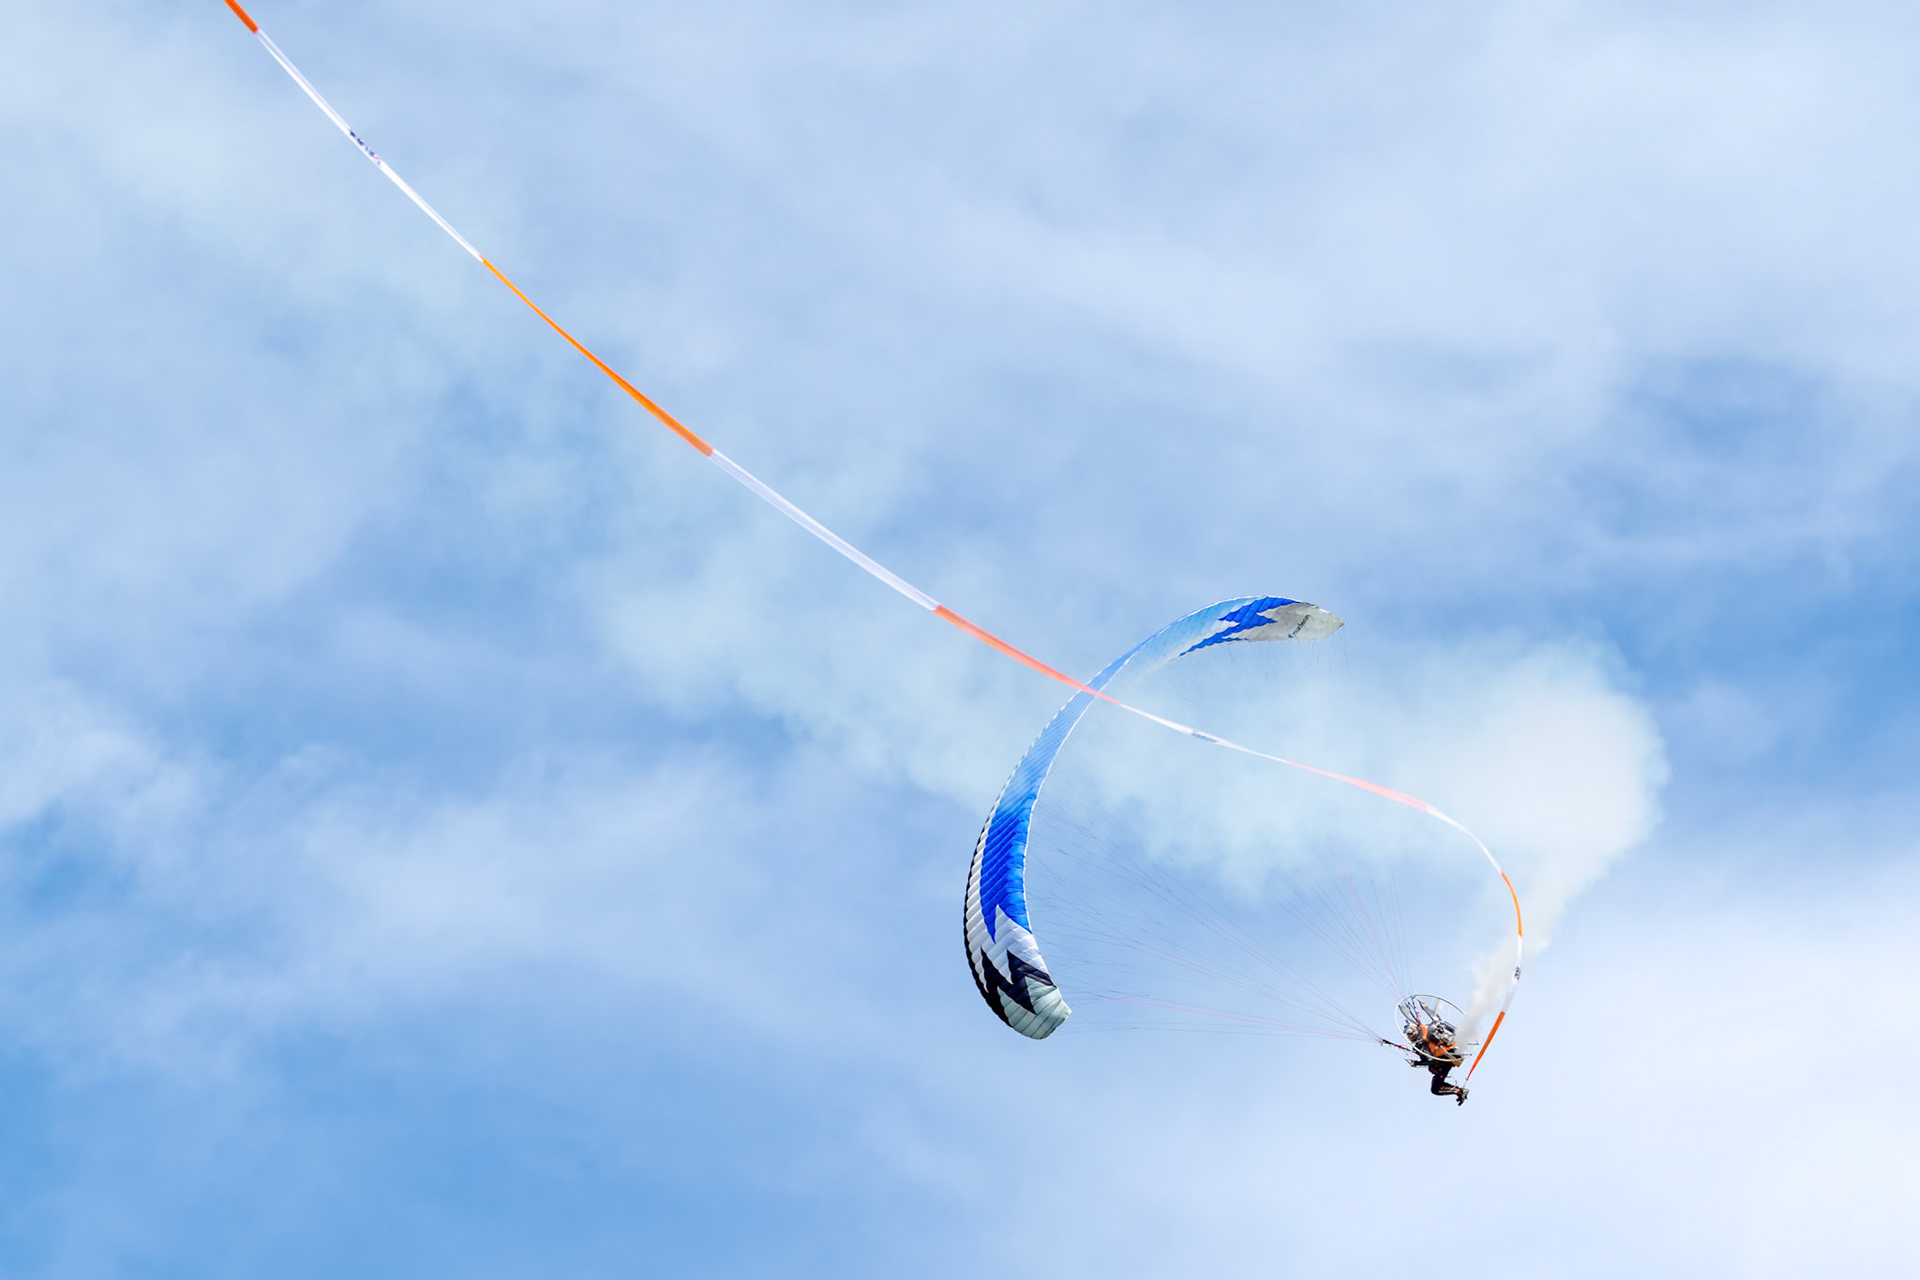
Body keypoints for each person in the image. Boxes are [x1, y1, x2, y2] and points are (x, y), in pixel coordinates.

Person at [1404, 1016, 1469, 1106]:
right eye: (1407, 1035)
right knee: (1435, 1078)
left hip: (1445, 1059)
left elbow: (1429, 1059)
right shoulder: (1425, 1029)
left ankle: (1459, 1091)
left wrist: (1417, 1063)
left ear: (1414, 1030)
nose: (1408, 1037)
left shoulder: (1420, 1043)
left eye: (1409, 1033)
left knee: (1435, 1088)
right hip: (1452, 1051)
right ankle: (1459, 1091)